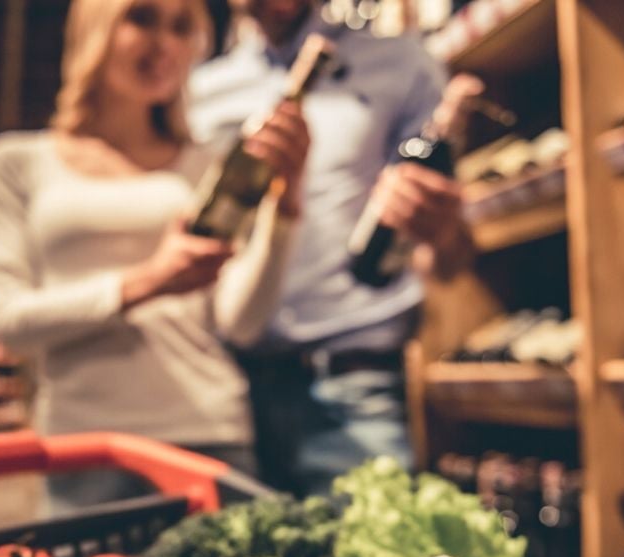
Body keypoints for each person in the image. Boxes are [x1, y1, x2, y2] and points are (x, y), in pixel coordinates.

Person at [0, 0, 310, 505]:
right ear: (96, 27)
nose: (165, 44)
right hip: (83, 445)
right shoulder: (16, 162)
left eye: (181, 27)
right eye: (143, 18)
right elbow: (11, 323)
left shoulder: (206, 163)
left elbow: (240, 322)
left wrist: (286, 207)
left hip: (208, 431)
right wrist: (149, 280)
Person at [188, 0, 474, 495]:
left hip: (356, 392)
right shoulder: (199, 93)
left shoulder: (401, 65)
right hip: (225, 395)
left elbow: (450, 260)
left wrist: (441, 228)